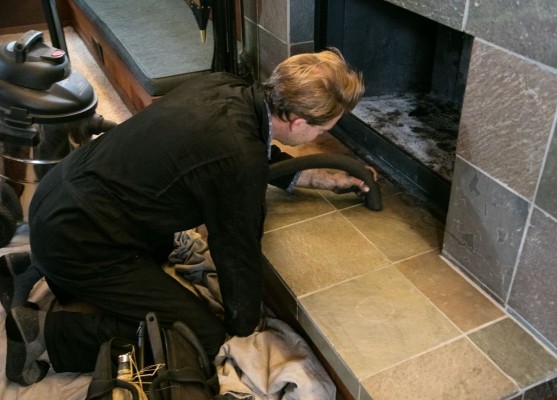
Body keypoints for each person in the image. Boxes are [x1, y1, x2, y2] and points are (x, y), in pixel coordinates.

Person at [2, 47, 369, 386]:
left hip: (58, 198)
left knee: (160, 248)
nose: (322, 136)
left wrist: (321, 178)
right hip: (77, 238)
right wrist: (244, 328)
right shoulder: (238, 157)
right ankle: (45, 335)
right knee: (197, 338)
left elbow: (250, 154)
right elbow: (236, 252)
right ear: (298, 121)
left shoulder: (226, 86)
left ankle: (30, 269)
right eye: (323, 130)